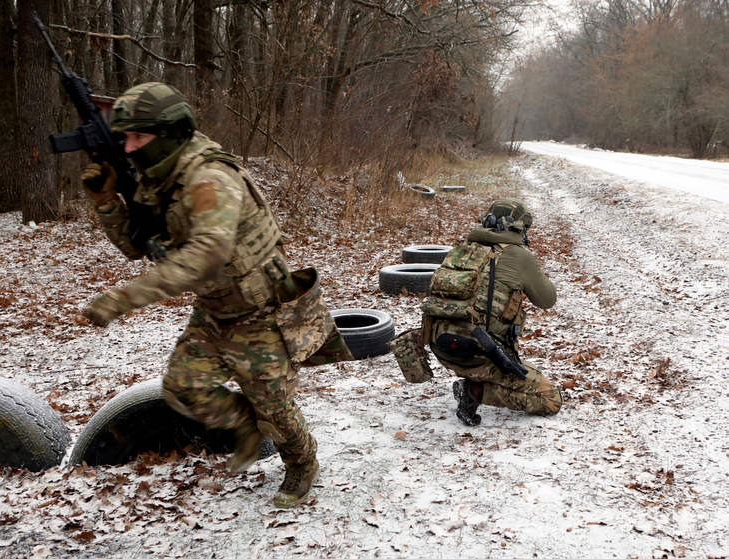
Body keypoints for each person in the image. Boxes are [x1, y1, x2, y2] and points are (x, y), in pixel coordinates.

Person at [80, 82, 351, 508]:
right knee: (182, 387)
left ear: (168, 135)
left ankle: (302, 463)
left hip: (262, 312)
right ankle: (245, 425)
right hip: (215, 308)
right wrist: (108, 203)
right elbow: (137, 246)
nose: (128, 148)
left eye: (138, 137)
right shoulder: (158, 179)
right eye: (124, 138)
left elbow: (207, 254)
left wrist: (124, 299)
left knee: (276, 410)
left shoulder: (210, 179)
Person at [390, 200, 561, 425]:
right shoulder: (520, 256)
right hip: (481, 356)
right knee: (551, 399)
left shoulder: (462, 251)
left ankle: (476, 381)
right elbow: (547, 300)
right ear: (519, 228)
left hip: (443, 349)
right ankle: (476, 390)